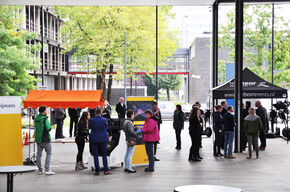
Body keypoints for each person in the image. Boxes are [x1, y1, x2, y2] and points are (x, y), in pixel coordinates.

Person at [89, 108, 112, 175]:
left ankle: (97, 170)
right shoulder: (104, 120)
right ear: (101, 113)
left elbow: (90, 127)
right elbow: (106, 128)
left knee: (95, 155)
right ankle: (106, 170)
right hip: (102, 138)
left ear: (95, 113)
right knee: (104, 155)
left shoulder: (91, 120)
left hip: (94, 139)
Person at [34, 106, 55, 175]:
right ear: (44, 111)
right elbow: (48, 128)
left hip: (38, 139)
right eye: (46, 110)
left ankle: (40, 170)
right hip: (45, 139)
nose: (46, 111)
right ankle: (47, 169)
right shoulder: (45, 119)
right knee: (49, 153)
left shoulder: (36, 118)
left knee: (39, 155)